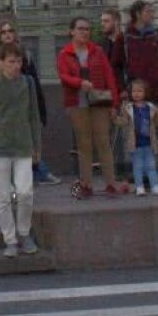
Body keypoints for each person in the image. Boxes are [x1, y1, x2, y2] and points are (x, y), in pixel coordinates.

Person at [0, 43, 42, 258]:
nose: (16, 66)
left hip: (24, 145)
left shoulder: (28, 83)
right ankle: (10, 239)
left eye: (19, 61)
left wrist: (37, 146)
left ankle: (24, 232)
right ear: (1, 63)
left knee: (25, 192)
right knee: (4, 197)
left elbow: (34, 116)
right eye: (11, 62)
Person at [56, 16, 121, 199]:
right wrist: (79, 82)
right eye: (81, 28)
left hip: (99, 101)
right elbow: (63, 76)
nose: (85, 32)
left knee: (103, 142)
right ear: (72, 31)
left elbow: (109, 76)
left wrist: (114, 103)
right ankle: (86, 185)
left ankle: (110, 183)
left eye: (87, 29)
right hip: (77, 103)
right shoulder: (65, 54)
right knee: (84, 144)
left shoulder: (97, 51)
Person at [0, 21, 57, 186]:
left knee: (27, 145)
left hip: (23, 108)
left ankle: (37, 172)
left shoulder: (25, 55)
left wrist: (40, 111)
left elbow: (33, 82)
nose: (7, 34)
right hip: (2, 111)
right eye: (3, 31)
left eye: (10, 31)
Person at [124, 0, 158, 191]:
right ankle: (146, 176)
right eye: (148, 11)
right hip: (139, 95)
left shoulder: (157, 35)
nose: (152, 14)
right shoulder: (127, 37)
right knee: (141, 137)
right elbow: (118, 64)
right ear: (138, 13)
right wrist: (125, 89)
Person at [98, 8, 131, 187]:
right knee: (112, 134)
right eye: (102, 21)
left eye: (106, 21)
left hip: (123, 92)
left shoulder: (124, 42)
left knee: (125, 132)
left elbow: (127, 67)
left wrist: (126, 88)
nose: (103, 24)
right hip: (108, 94)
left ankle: (127, 169)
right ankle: (115, 170)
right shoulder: (103, 45)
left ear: (116, 22)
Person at [120, 79, 158, 196]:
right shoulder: (128, 108)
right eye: (134, 91)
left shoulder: (151, 107)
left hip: (149, 143)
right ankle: (139, 187)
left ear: (145, 92)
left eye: (140, 91)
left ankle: (155, 185)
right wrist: (116, 118)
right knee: (137, 167)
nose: (137, 93)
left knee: (151, 166)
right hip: (136, 143)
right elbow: (123, 122)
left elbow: (157, 120)